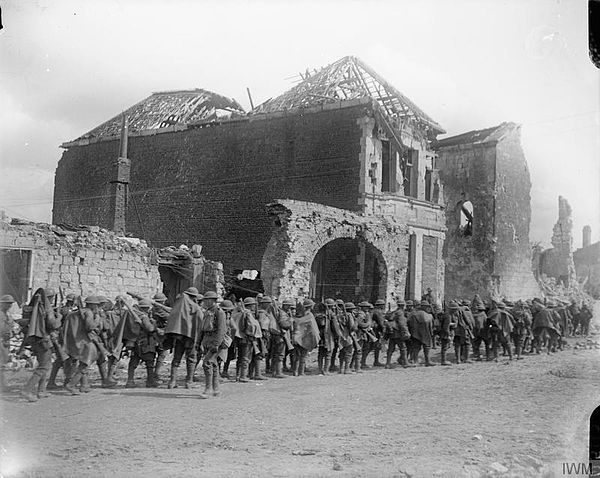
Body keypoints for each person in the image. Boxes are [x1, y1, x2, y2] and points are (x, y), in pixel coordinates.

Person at [18, 289, 62, 402]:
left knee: (45, 364)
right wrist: (59, 318)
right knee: (44, 366)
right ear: (50, 298)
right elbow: (53, 324)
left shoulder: (33, 308)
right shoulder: (47, 309)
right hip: (44, 341)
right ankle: (27, 390)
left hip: (34, 340)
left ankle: (41, 391)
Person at [61, 296, 101, 396]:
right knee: (84, 364)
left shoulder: (76, 313)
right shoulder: (88, 312)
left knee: (83, 362)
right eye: (96, 305)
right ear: (93, 305)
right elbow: (89, 327)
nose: (98, 307)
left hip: (76, 341)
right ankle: (71, 385)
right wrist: (97, 320)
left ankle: (84, 385)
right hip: (84, 342)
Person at [164, 287, 203, 389]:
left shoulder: (178, 307)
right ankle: (189, 382)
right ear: (194, 297)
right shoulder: (196, 308)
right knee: (191, 359)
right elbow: (200, 323)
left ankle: (172, 382)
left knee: (176, 359)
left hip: (178, 336)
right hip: (191, 337)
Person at [198, 291, 227, 399]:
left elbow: (221, 330)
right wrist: (198, 342)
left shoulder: (219, 312)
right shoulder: (207, 312)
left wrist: (216, 344)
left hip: (214, 341)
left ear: (212, 300)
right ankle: (216, 389)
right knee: (214, 365)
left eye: (206, 300)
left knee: (207, 363)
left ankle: (208, 389)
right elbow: (201, 329)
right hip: (206, 340)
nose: (204, 302)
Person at [125, 299, 158, 388]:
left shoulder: (132, 315)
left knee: (133, 363)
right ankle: (150, 381)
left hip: (134, 342)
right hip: (146, 342)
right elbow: (150, 329)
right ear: (146, 308)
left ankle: (130, 381)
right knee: (150, 363)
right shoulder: (143, 317)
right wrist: (154, 324)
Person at [291, 299, 320, 376]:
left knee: (297, 356)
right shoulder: (309, 315)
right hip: (304, 338)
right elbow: (311, 328)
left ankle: (295, 371)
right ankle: (300, 372)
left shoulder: (301, 314)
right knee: (303, 356)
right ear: (310, 306)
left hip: (298, 336)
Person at [383, 298, 411, 369]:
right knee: (403, 348)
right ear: (403, 305)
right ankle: (405, 363)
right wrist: (406, 332)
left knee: (390, 349)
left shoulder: (394, 312)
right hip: (398, 333)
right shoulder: (400, 313)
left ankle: (387, 364)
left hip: (392, 333)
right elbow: (402, 324)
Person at [407, 301, 436, 366]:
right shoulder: (429, 316)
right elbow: (432, 326)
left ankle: (415, 361)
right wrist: (431, 333)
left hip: (415, 334)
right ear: (425, 307)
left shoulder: (413, 314)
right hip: (426, 333)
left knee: (416, 347)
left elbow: (409, 324)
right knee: (427, 347)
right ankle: (427, 361)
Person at [151, 292, 171, 384]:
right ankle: (155, 374)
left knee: (158, 354)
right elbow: (168, 317)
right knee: (161, 354)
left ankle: (154, 374)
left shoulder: (154, 309)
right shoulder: (159, 310)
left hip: (156, 334)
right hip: (159, 334)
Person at [315, 299, 336, 375]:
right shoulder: (331, 314)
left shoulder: (318, 315)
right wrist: (337, 335)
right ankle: (326, 370)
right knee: (328, 353)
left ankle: (320, 369)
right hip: (328, 336)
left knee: (320, 353)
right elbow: (335, 327)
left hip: (321, 336)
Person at [0, 295, 15, 391]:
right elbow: (2, 328)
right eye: (8, 303)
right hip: (1, 340)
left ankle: (3, 384)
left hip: (5, 340)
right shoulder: (1, 315)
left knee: (3, 363)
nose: (10, 305)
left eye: (11, 303)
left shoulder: (7, 314)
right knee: (1, 363)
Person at [470, 296, 490, 361]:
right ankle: (487, 356)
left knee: (477, 344)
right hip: (483, 330)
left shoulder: (472, 315)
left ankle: (479, 355)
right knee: (486, 344)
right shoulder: (483, 314)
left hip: (477, 331)